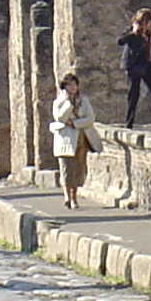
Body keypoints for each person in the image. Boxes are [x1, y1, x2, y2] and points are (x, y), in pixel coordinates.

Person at [49, 71, 99, 209]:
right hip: (64, 139)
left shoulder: (84, 101)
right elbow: (60, 118)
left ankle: (74, 196)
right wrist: (67, 103)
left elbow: (90, 118)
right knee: (66, 168)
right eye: (69, 85)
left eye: (74, 84)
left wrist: (75, 124)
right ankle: (67, 195)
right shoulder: (58, 102)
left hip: (79, 138)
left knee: (78, 168)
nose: (72, 87)